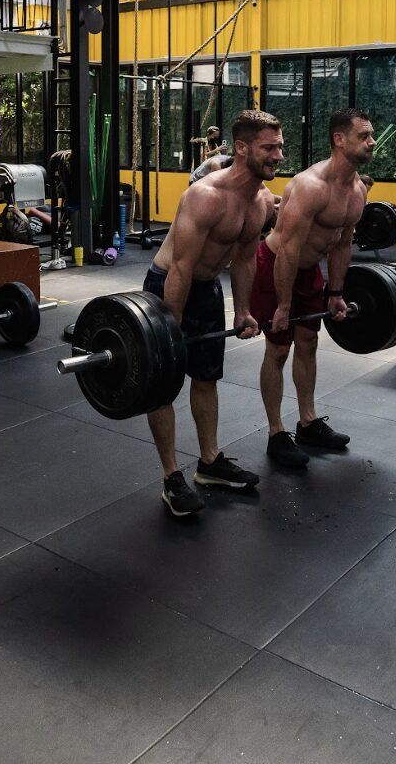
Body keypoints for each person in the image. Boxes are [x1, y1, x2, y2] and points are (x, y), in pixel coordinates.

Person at [145, 110, 283, 516]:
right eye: (268, 147)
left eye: (279, 145)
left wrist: (242, 311)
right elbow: (181, 268)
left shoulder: (260, 201)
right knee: (164, 382)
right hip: (168, 285)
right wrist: (170, 327)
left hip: (206, 290)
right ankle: (172, 477)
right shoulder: (204, 196)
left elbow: (243, 259)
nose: (278, 154)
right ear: (241, 148)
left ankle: (209, 463)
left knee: (206, 378)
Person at [252, 108, 372, 469]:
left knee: (309, 343)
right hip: (276, 268)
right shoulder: (310, 186)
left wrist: (335, 292)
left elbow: (342, 244)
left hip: (309, 273)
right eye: (363, 136)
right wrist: (283, 305)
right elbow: (287, 249)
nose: (371, 142)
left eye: (370, 136)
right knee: (278, 350)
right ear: (339, 139)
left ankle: (308, 421)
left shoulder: (356, 192)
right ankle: (276, 433)